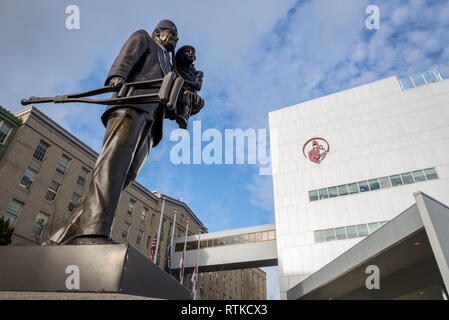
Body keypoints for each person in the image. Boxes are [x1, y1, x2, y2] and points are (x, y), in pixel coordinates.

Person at [43, 20, 179, 245]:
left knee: (124, 176)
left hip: (151, 123)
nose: (176, 38)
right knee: (111, 168)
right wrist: (118, 76)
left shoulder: (170, 64)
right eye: (173, 34)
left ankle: (63, 235)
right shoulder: (144, 37)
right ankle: (91, 234)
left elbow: (169, 97)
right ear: (158, 32)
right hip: (130, 106)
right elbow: (126, 56)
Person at [173, 45, 204, 129]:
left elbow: (198, 86)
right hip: (175, 90)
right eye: (187, 52)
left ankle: (184, 117)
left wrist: (182, 80)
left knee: (186, 93)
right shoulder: (175, 68)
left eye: (193, 52)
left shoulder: (198, 73)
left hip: (190, 95)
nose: (191, 54)